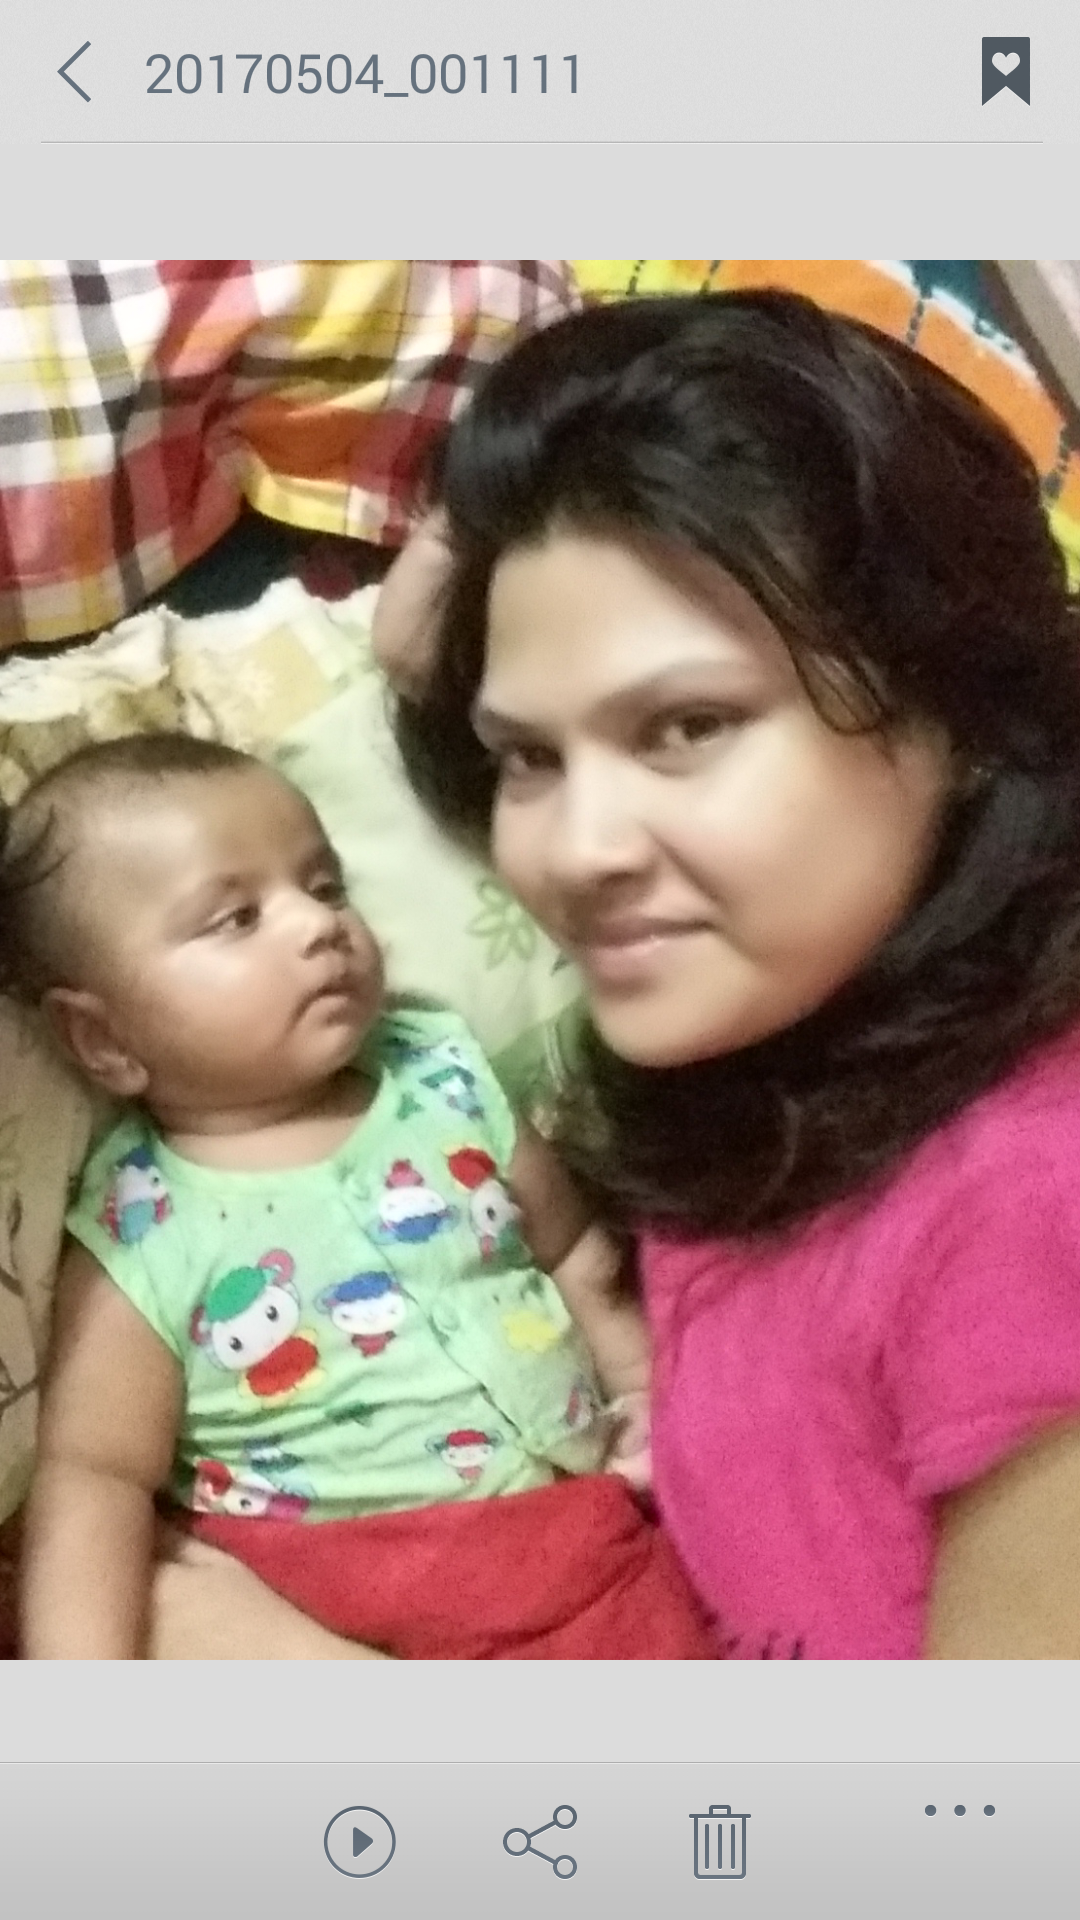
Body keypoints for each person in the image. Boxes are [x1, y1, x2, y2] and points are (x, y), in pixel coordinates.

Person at [388, 289, 1080, 1659]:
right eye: (530, 758)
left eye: (689, 726)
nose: (574, 851)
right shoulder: (765, 1055)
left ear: (962, 709)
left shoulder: (1029, 1209)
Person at [6, 734, 714, 1660]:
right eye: (237, 917)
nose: (318, 923)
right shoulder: (139, 1224)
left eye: (327, 885)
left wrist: (647, 1401)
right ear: (103, 1041)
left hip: (585, 1534)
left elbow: (574, 1249)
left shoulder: (443, 1075)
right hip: (342, 1590)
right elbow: (95, 1474)